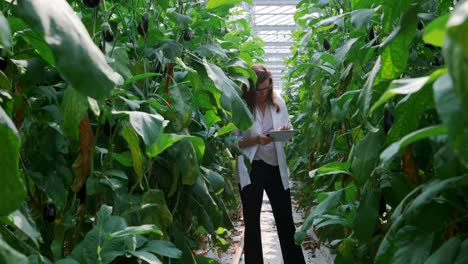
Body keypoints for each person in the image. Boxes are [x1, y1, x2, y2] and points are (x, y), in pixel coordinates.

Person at [234, 64, 306, 264]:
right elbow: (232, 142)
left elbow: (286, 127)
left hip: (275, 167)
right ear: (249, 89)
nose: (263, 93)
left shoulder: (278, 103)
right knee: (252, 223)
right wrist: (256, 140)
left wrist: (285, 130)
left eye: (266, 89)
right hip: (252, 168)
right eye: (259, 90)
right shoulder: (241, 107)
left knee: (286, 221)